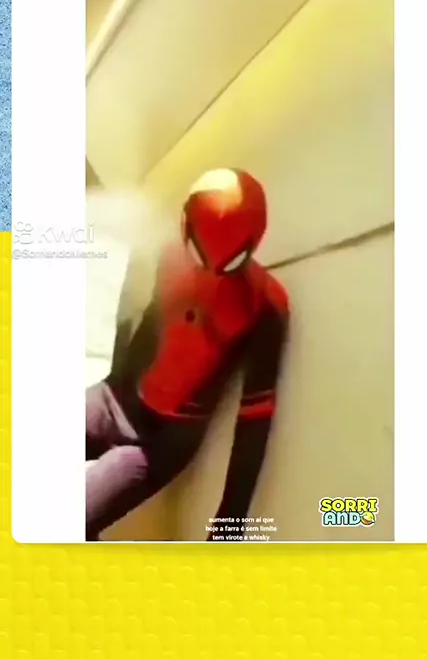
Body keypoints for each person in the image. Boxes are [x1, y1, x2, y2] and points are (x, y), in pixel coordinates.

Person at [85, 168, 290, 541]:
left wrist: (229, 525)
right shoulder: (159, 252)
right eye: (200, 255)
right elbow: (126, 312)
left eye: (230, 264)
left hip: (155, 448)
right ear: (184, 223)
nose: (213, 272)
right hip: (112, 398)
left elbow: (255, 419)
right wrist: (114, 378)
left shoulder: (264, 305)